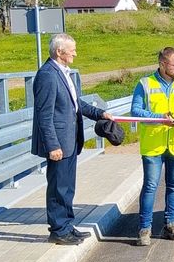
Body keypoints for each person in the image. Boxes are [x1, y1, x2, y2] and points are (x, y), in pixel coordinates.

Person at [31, 34, 113, 245]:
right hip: (59, 143)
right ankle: (58, 231)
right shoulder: (47, 75)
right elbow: (44, 114)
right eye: (72, 49)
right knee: (58, 187)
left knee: (67, 187)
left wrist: (100, 114)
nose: (75, 53)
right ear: (59, 51)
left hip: (70, 141)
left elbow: (78, 105)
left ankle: (67, 226)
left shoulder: (65, 73)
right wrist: (53, 145)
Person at [130, 47, 174, 246]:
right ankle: (145, 228)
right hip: (154, 145)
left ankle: (171, 224)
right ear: (163, 64)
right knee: (151, 186)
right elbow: (135, 110)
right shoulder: (145, 84)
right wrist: (158, 119)